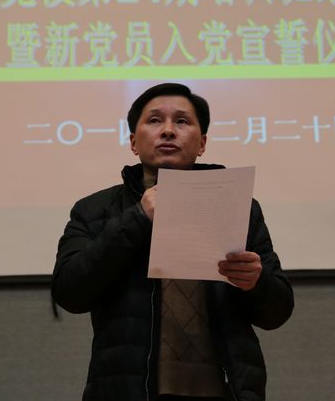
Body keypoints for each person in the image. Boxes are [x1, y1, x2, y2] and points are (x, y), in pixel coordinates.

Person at [52, 83, 294, 401]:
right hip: (127, 389)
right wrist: (138, 217)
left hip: (225, 390)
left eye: (182, 121)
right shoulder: (94, 210)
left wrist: (256, 283)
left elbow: (278, 312)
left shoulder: (239, 205)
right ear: (133, 142)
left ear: (202, 143)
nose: (168, 130)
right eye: (154, 120)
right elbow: (69, 293)